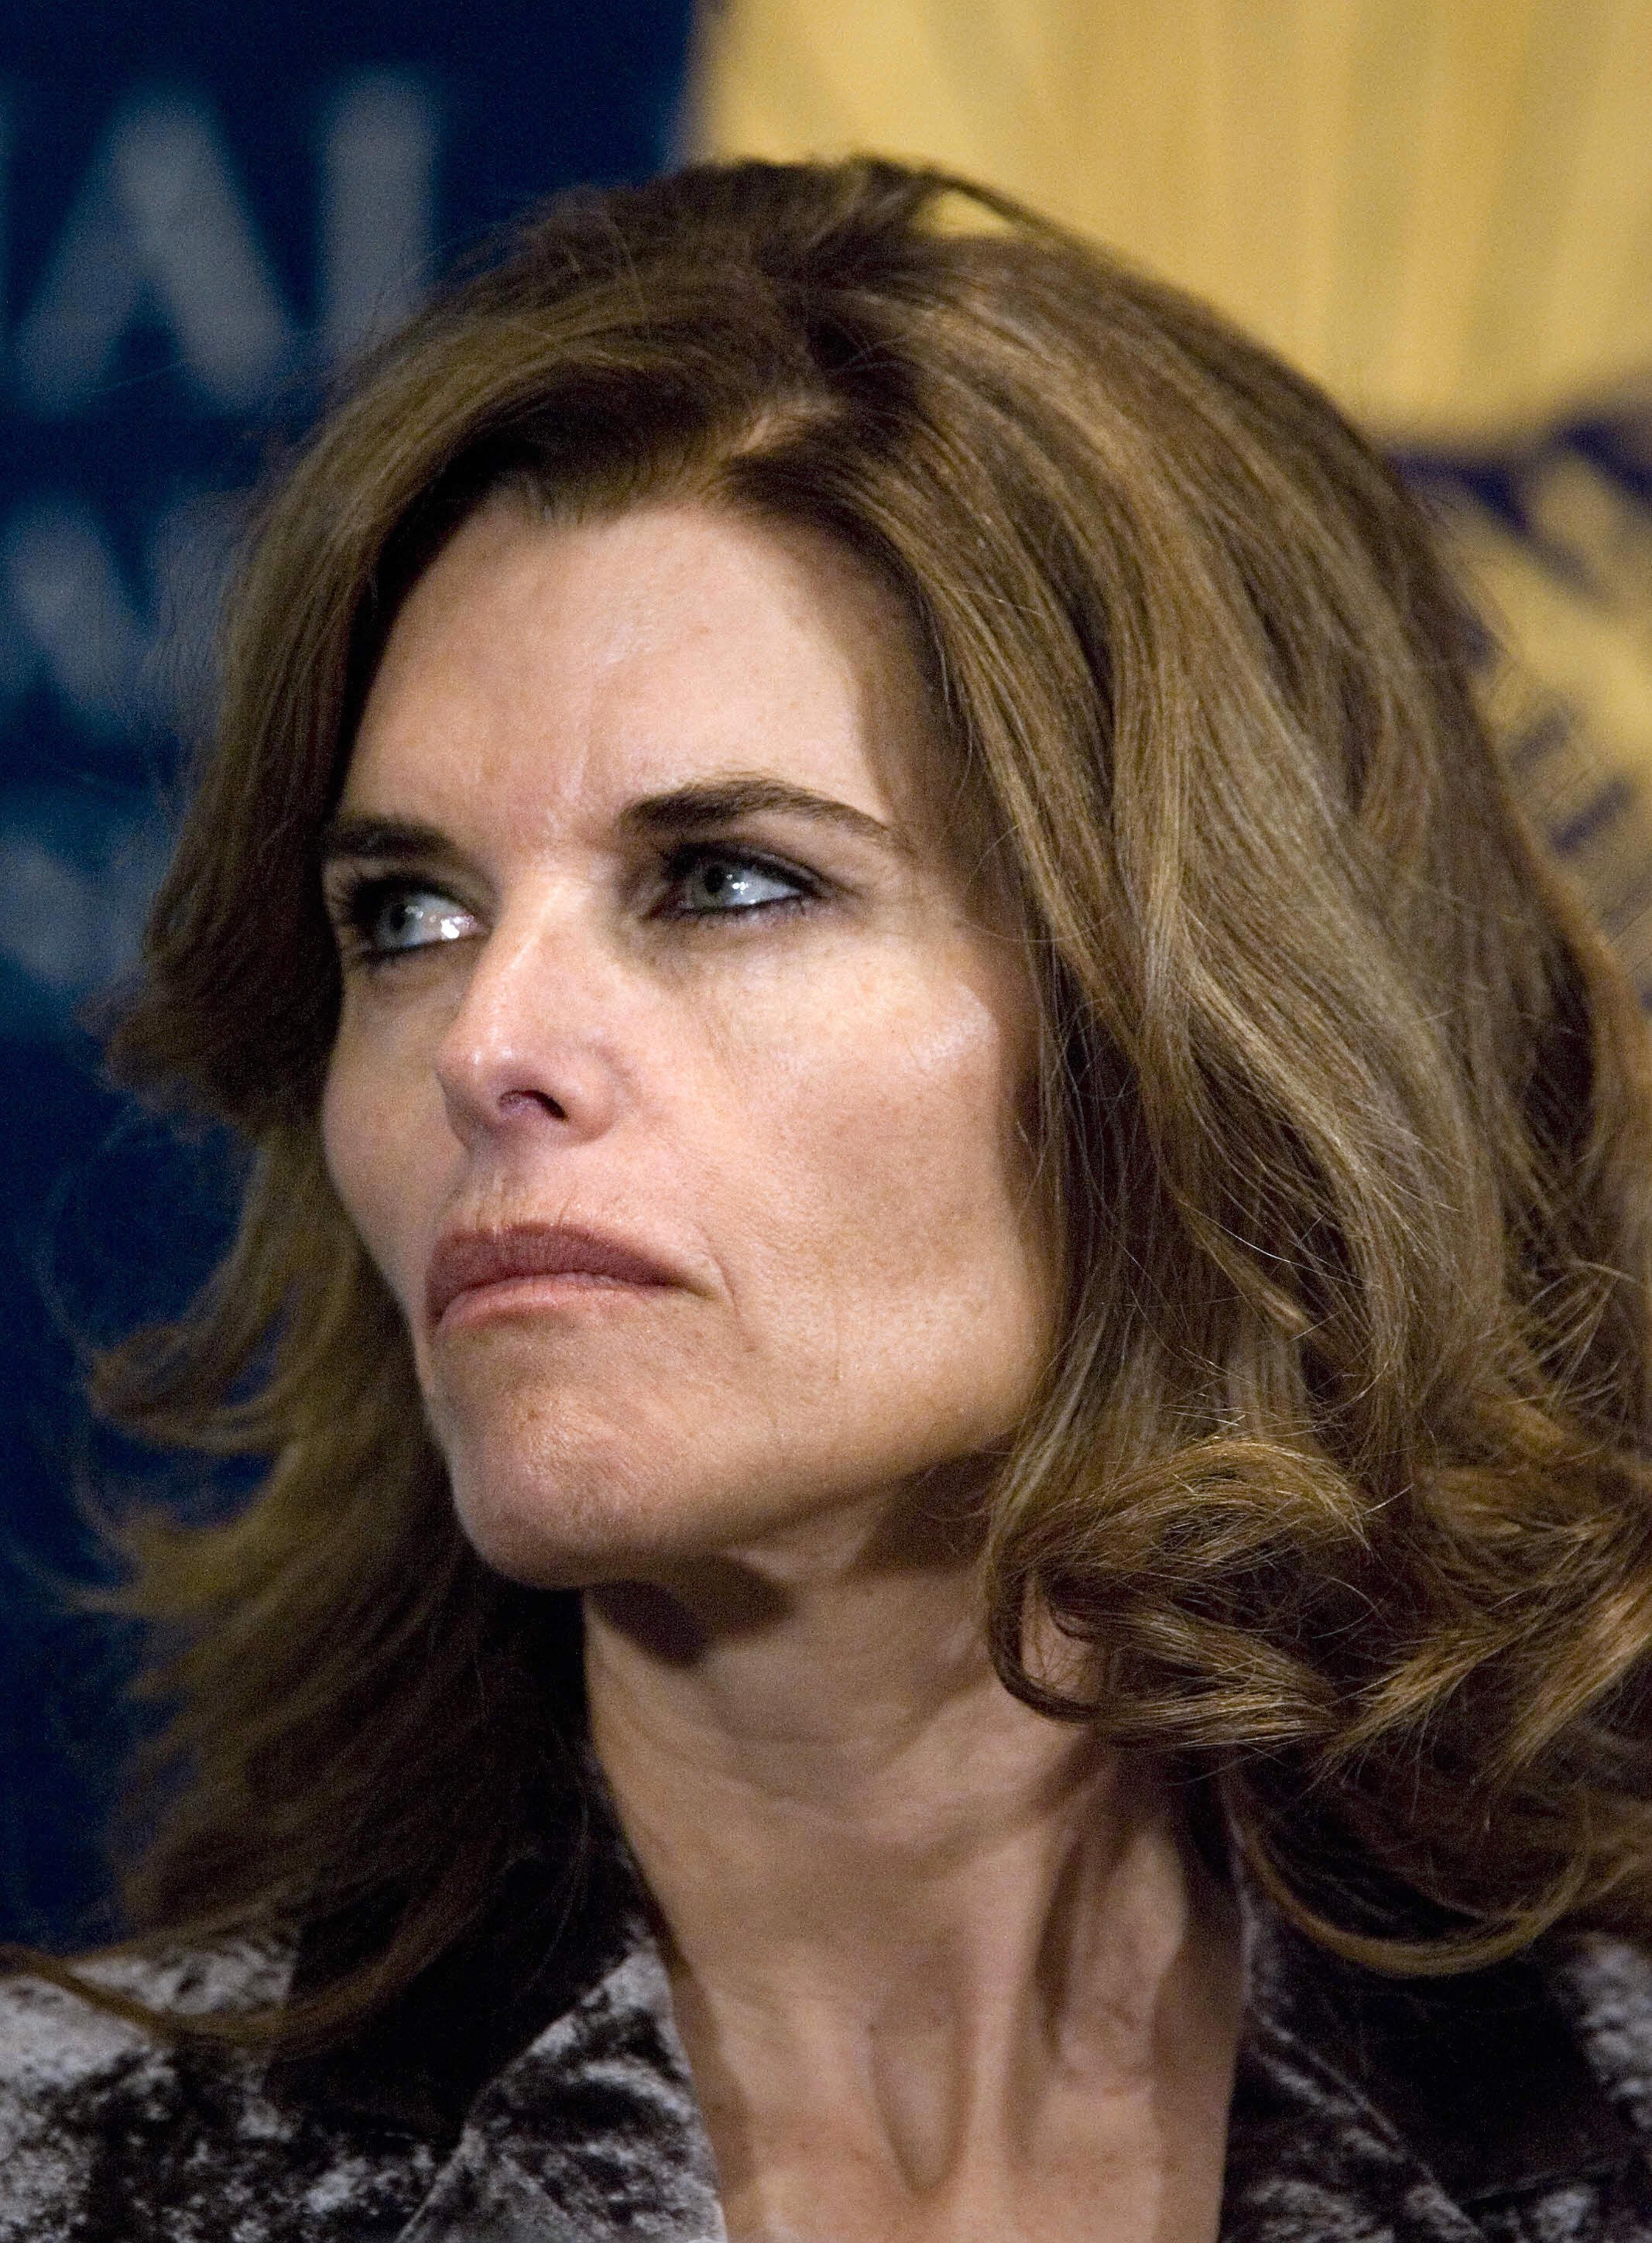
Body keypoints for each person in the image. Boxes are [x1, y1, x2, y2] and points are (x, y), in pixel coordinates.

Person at [5, 156, 1652, 2243]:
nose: (486, 1039)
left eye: (726, 881)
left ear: (1205, 1026)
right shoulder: (83, 2184)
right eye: (404, 912)